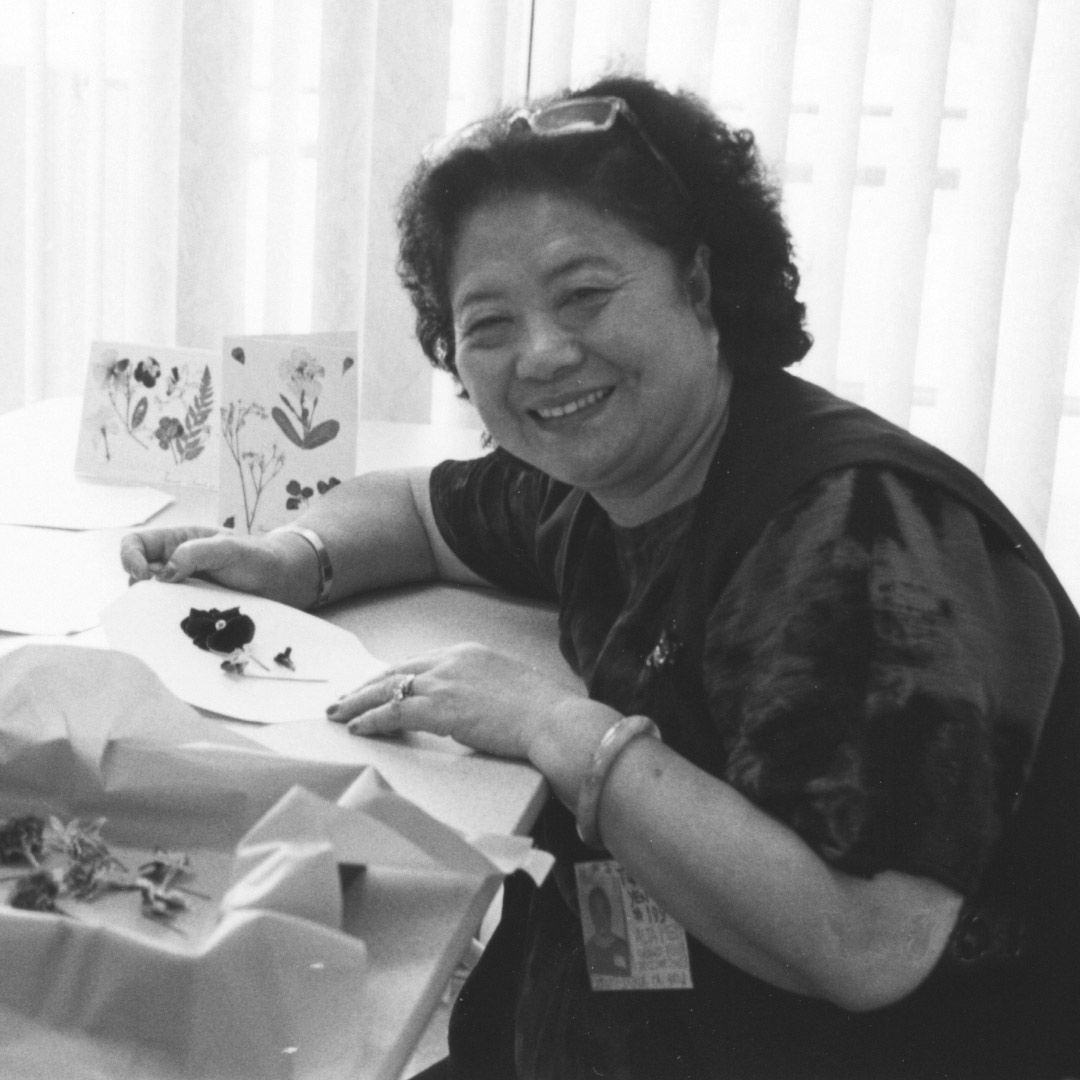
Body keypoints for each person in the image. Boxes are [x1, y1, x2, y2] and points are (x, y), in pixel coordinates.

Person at [121, 76, 1079, 1079]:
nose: (540, 354)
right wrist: (294, 557)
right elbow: (414, 507)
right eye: (488, 323)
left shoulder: (858, 533)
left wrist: (555, 726)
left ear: (699, 287)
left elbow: (866, 943)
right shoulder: (609, 479)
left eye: (586, 295)